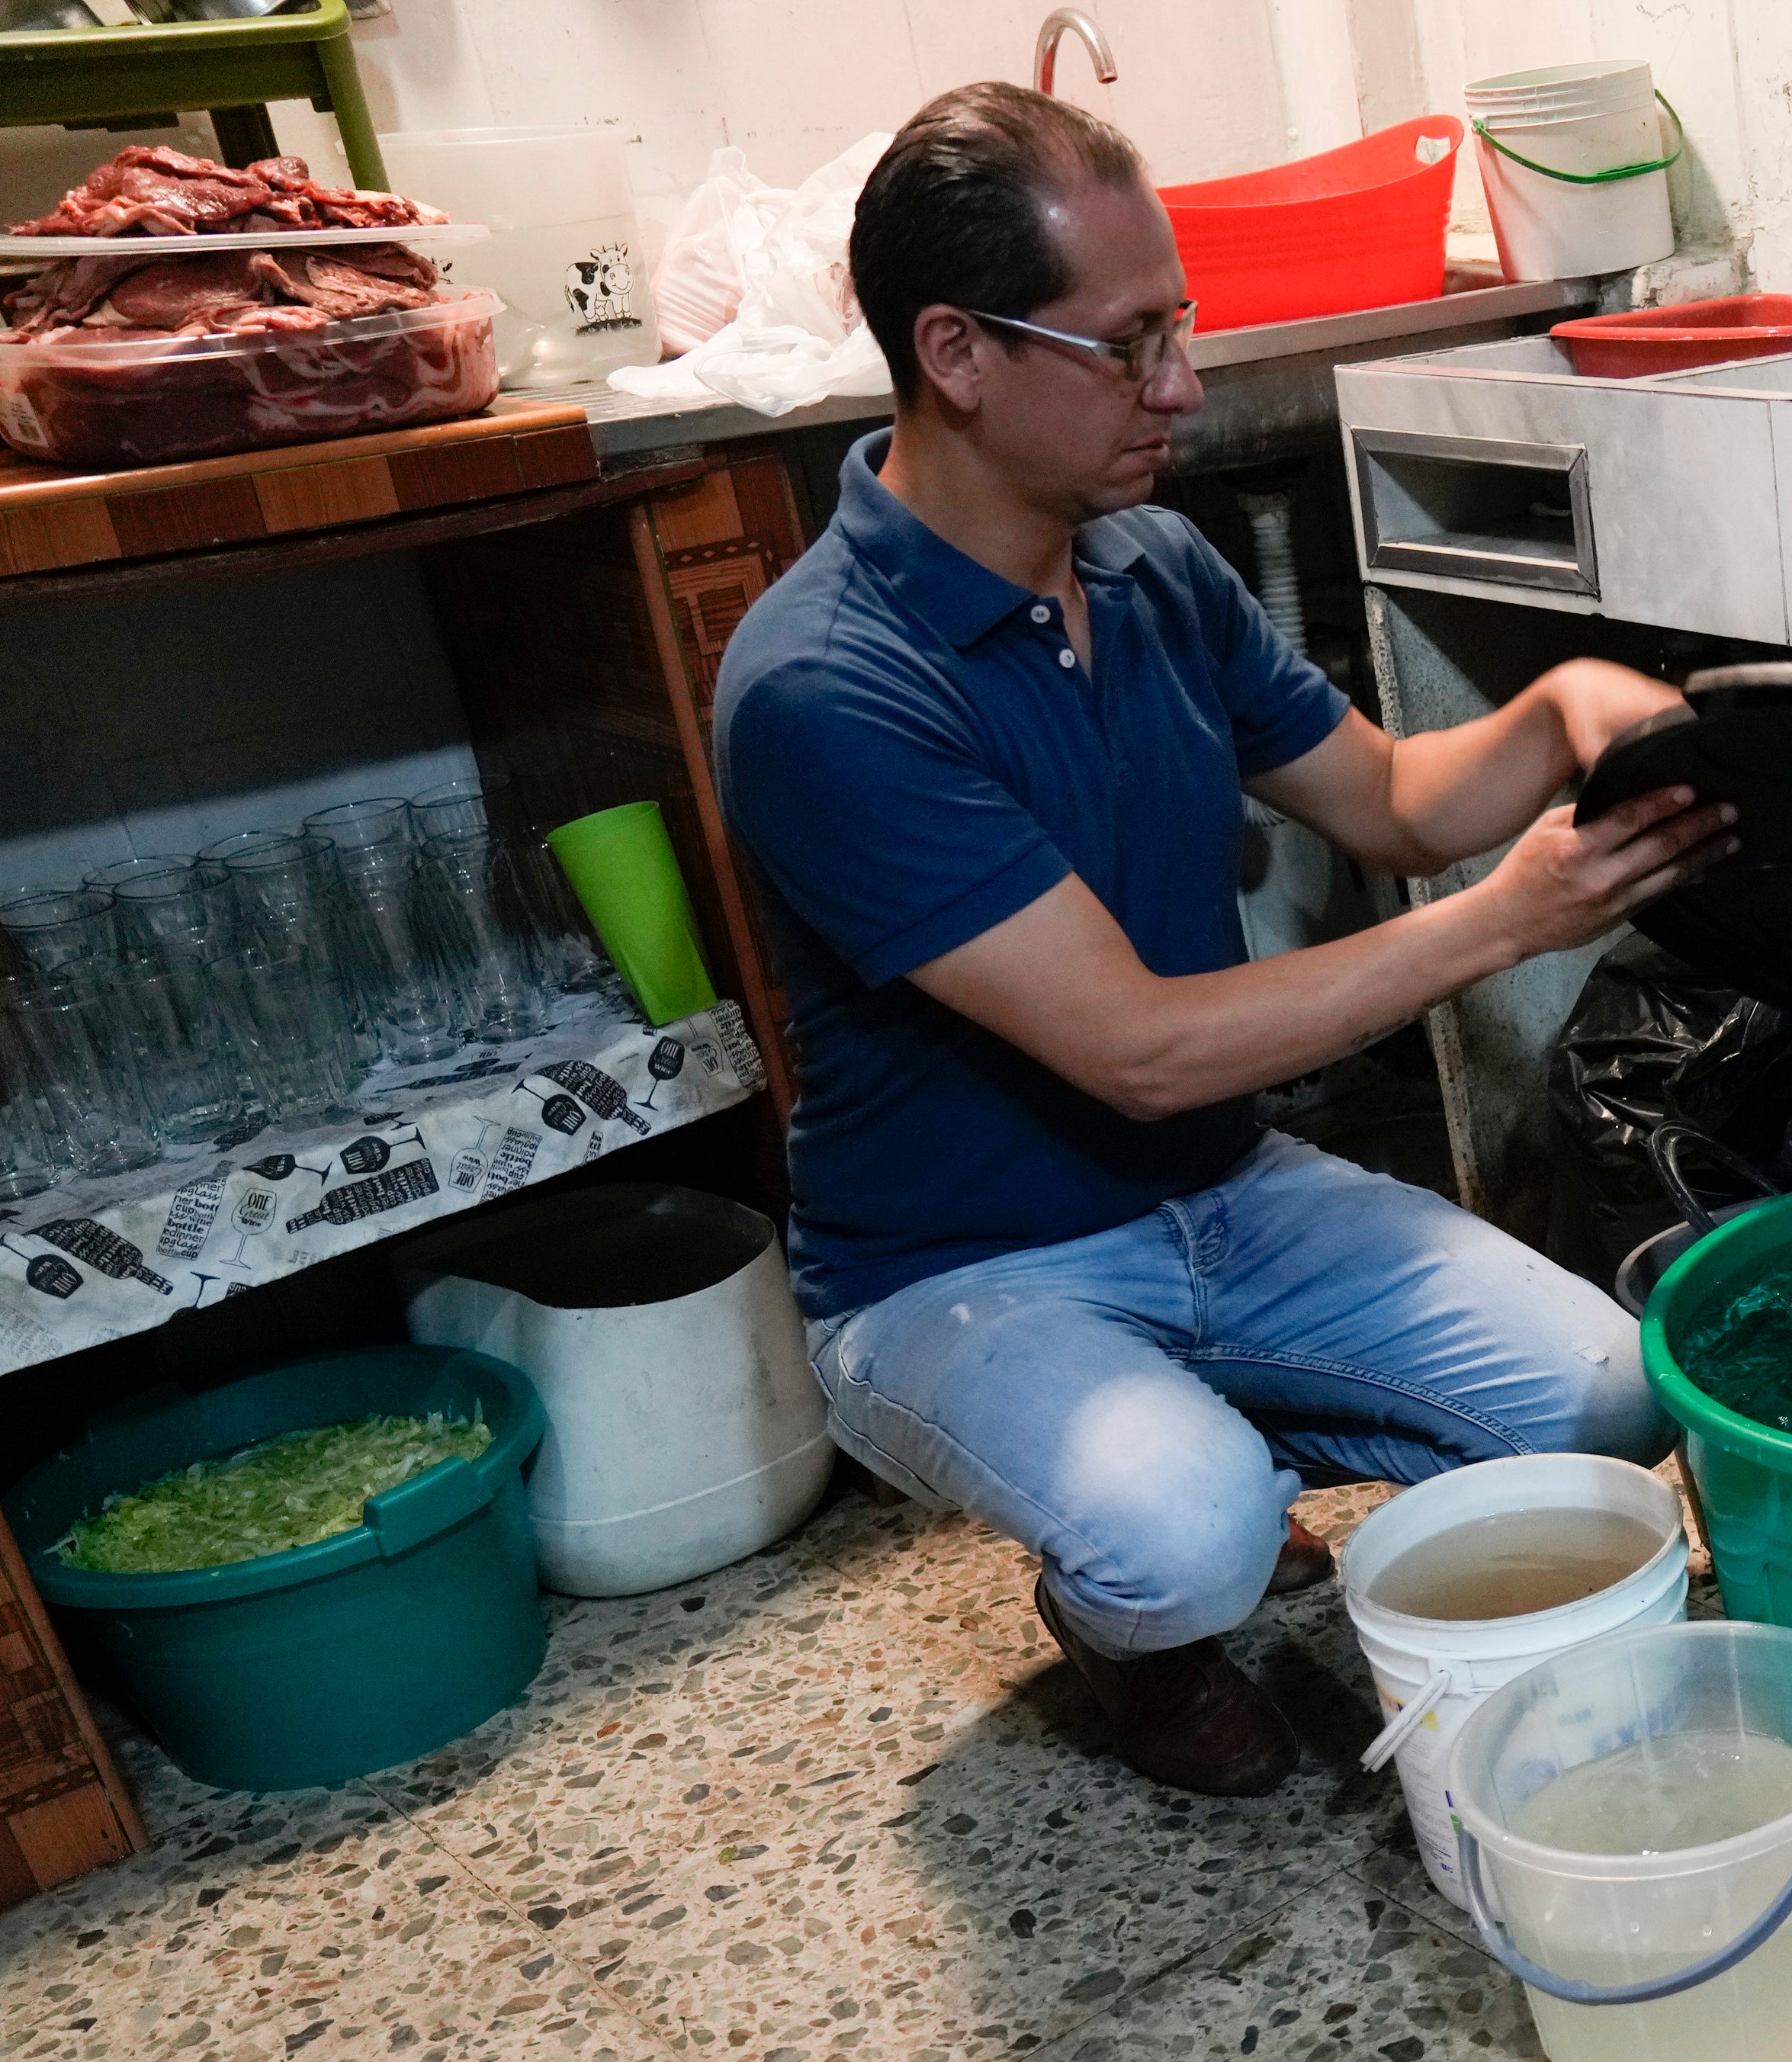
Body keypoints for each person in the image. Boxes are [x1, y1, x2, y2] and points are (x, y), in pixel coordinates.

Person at [714, 83, 1729, 1799]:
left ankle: (1200, 1442)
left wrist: (1559, 708)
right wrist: (1510, 919)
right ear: (954, 355)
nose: (1178, 386)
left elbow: (1396, 799)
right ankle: (1134, 1599)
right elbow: (1134, 1043)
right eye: (1129, 344)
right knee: (1182, 1538)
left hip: (1218, 1194)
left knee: (1606, 1399)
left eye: (1177, 328)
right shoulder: (827, 682)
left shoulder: (1153, 567)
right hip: (952, 1272)